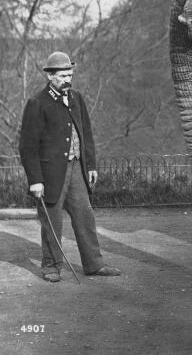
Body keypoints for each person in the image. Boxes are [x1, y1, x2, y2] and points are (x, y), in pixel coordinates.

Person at [18, 51, 121, 282]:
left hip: (76, 169)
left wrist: (91, 165)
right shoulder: (37, 102)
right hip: (49, 174)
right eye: (63, 75)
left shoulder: (77, 98)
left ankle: (94, 264)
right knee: (52, 220)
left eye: (70, 75)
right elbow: (27, 146)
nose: (68, 79)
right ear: (51, 76)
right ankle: (51, 267)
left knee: (85, 215)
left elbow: (86, 134)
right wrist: (35, 180)